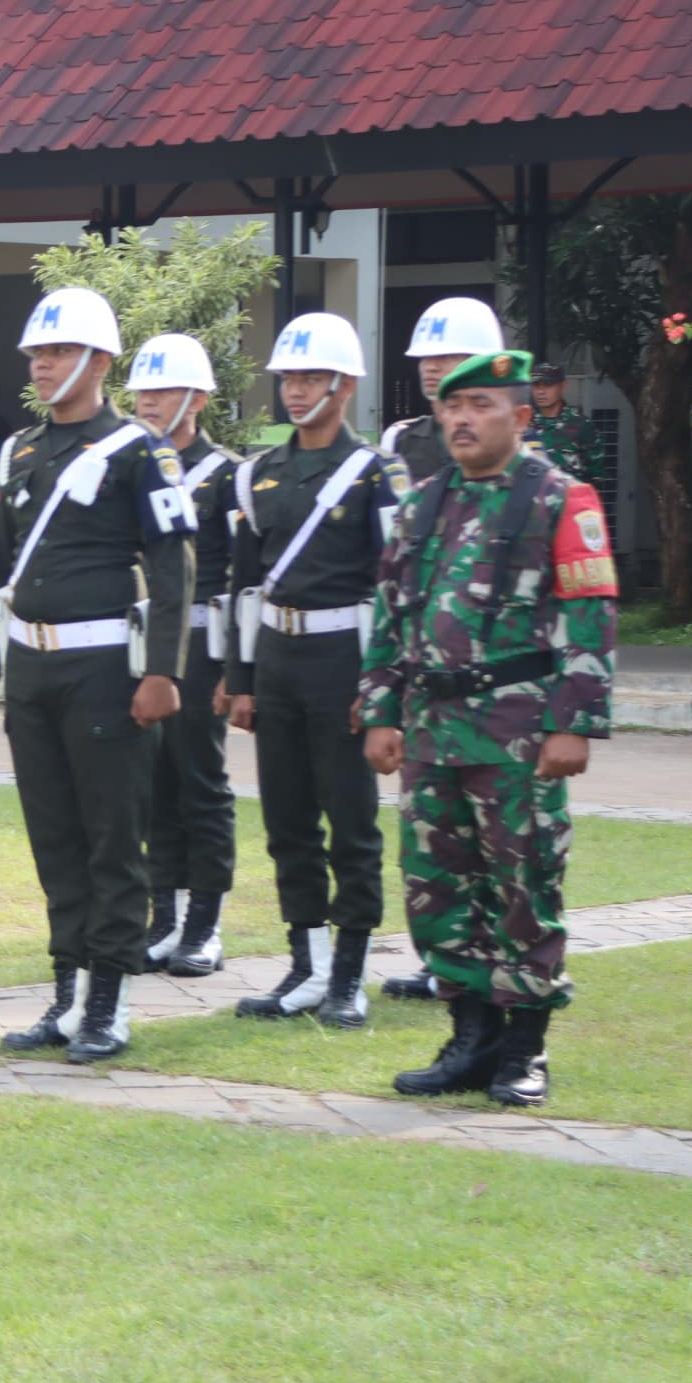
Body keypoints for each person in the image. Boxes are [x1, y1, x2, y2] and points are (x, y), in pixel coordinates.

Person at [362, 350, 616, 1107]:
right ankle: (468, 1038)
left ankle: (524, 1049)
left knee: (524, 884)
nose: (461, 419)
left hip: (517, 730)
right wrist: (379, 708)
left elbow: (590, 613)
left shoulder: (560, 499)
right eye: (452, 405)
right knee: (436, 889)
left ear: (522, 417)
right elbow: (389, 614)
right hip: (432, 727)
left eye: (481, 405)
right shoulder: (423, 503)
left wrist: (575, 723)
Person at [0, 288, 194, 1062]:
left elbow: (173, 568)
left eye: (58, 352)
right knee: (54, 835)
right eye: (35, 353)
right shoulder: (20, 451)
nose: (41, 364)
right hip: (30, 664)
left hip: (105, 666)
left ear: (100, 361)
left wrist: (163, 671)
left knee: (112, 835)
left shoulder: (140, 451)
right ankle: (67, 991)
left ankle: (110, 999)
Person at [226, 312, 409, 1030]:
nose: (296, 391)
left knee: (351, 819)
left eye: (309, 377)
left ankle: (350, 973)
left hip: (345, 658)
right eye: (288, 378)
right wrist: (239, 680)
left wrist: (382, 685)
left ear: (345, 383)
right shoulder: (260, 474)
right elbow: (245, 586)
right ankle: (304, 964)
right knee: (287, 818)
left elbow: (396, 585)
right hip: (277, 656)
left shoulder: (375, 472)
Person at [374, 295, 507, 1000]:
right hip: (423, 655)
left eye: (449, 358)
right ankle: (444, 965)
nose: (435, 370)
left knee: (501, 847)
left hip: (496, 675)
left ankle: (500, 977)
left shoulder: (522, 457)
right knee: (434, 840)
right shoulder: (400, 442)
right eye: (427, 358)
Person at [127, 333, 238, 977]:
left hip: (202, 641)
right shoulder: (133, 464)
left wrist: (230, 668)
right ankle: (161, 916)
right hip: (141, 639)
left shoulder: (225, 474)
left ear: (196, 398)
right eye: (142, 389)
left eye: (163, 389)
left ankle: (205, 923)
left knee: (200, 782)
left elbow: (239, 571)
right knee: (149, 786)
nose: (148, 400)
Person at [379, 296, 504, 490]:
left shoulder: (511, 437)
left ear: (480, 362)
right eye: (424, 357)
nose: (430, 366)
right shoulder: (400, 438)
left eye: (445, 356)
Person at [527, 364, 602, 486]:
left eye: (548, 385)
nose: (541, 391)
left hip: (571, 500)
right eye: (536, 385)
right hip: (534, 501)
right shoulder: (525, 425)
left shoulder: (581, 425)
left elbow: (596, 474)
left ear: (563, 386)